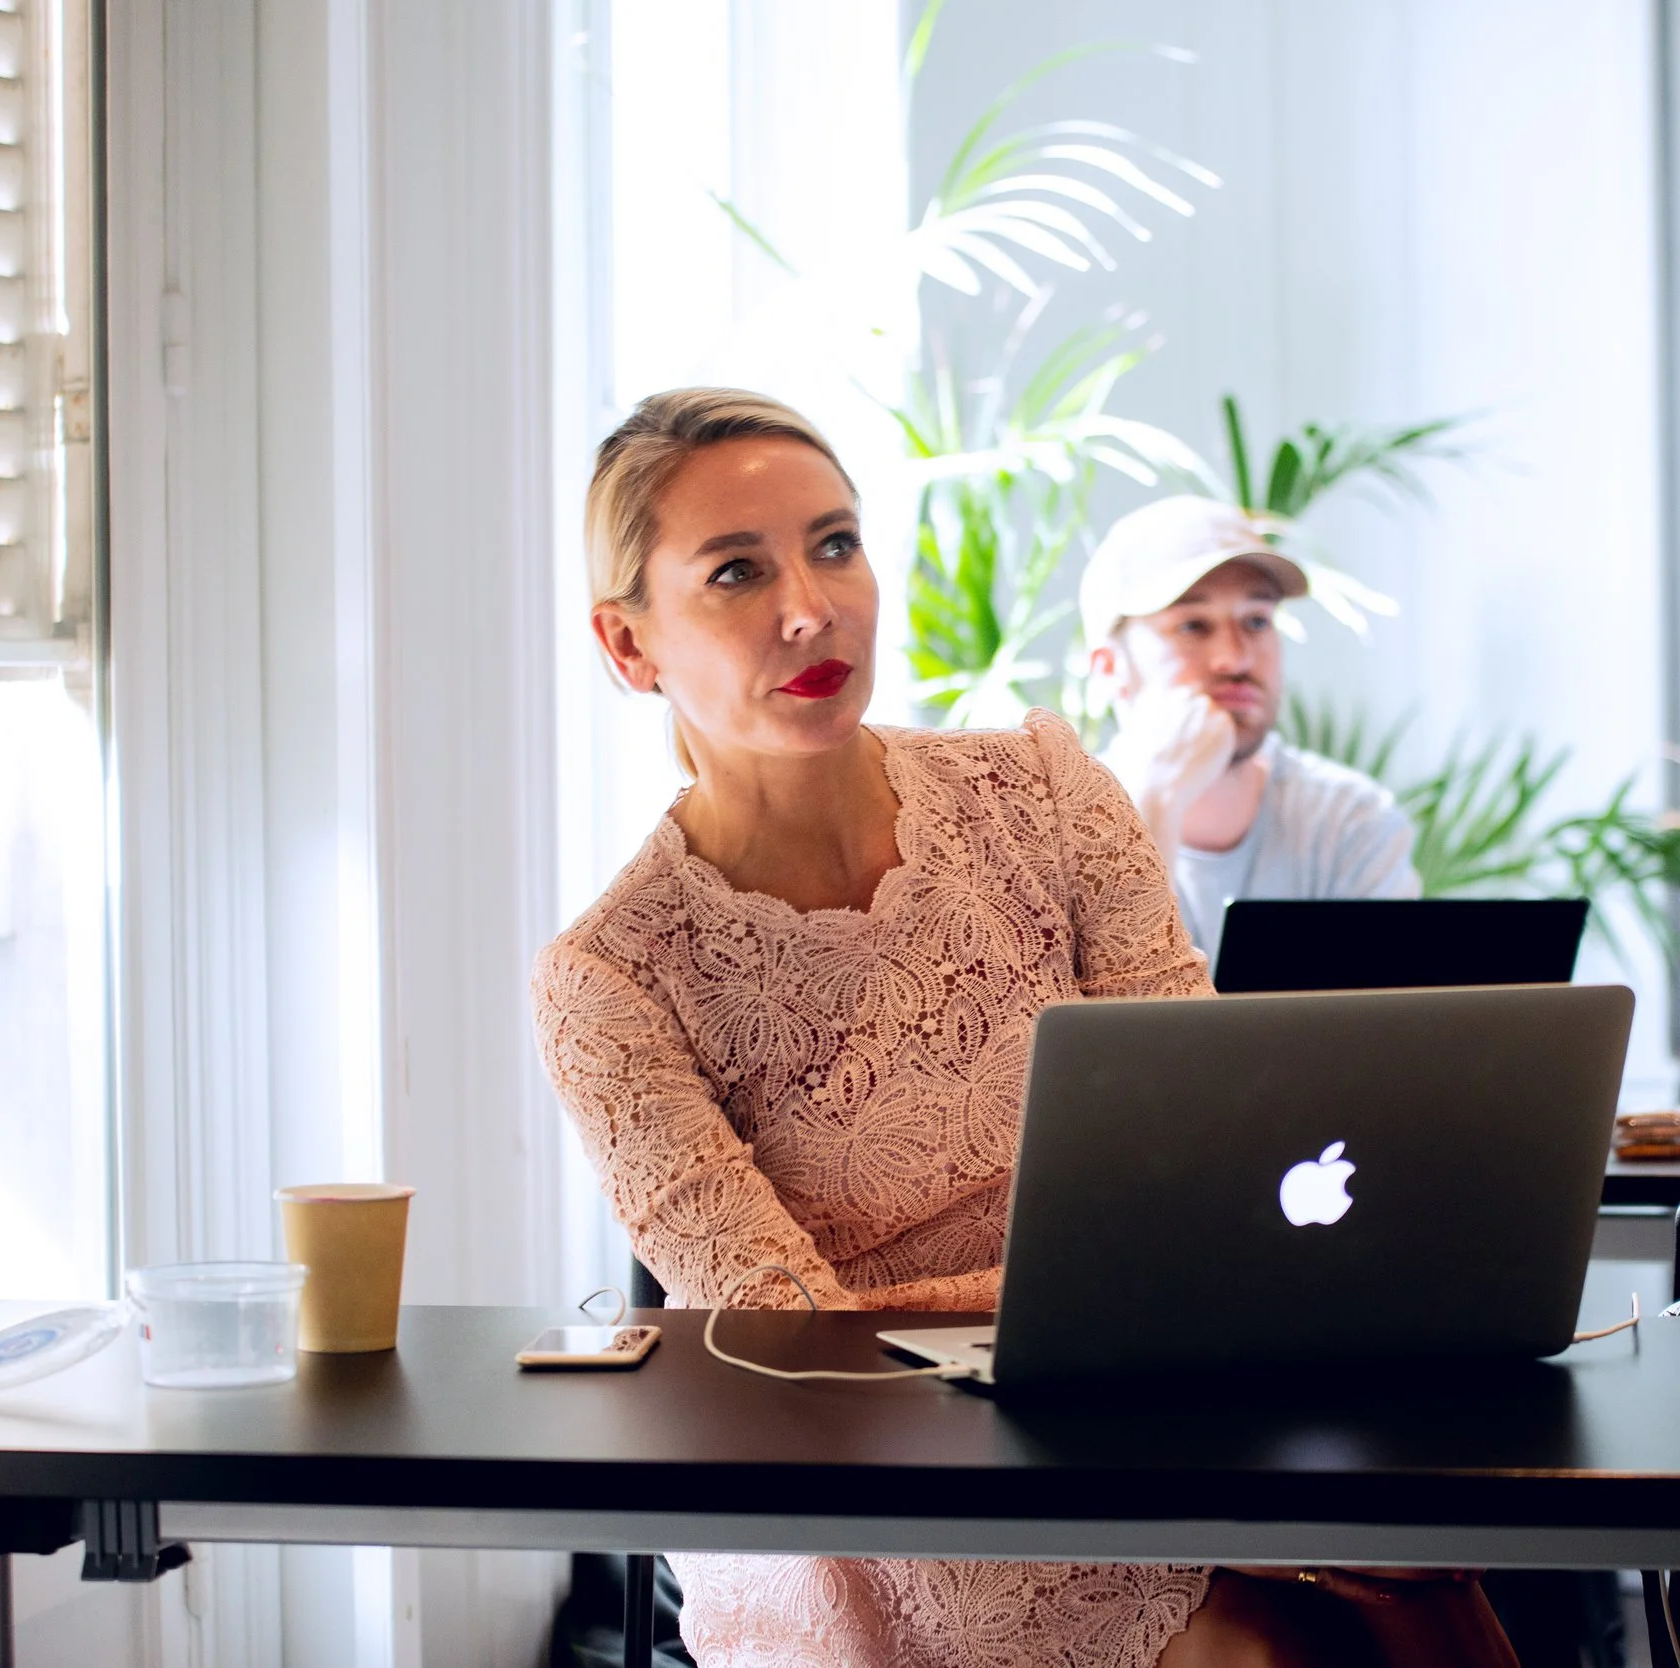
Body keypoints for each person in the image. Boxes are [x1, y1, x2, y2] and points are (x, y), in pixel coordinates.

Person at [532, 389, 1518, 1668]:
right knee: (1279, 1647)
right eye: (736, 571)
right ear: (629, 645)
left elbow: (1220, 1135)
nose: (810, 608)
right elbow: (781, 1346)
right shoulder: (609, 978)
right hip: (874, 1484)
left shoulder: (1041, 790)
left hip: (1152, 1390)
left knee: (1432, 1599)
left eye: (835, 544)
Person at [1082, 495, 1419, 963]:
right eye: (1193, 626)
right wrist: (1156, 798)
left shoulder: (1348, 823)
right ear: (1111, 667)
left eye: (1256, 621)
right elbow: (1101, 1024)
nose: (1236, 658)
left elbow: (1393, 1030)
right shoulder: (1051, 832)